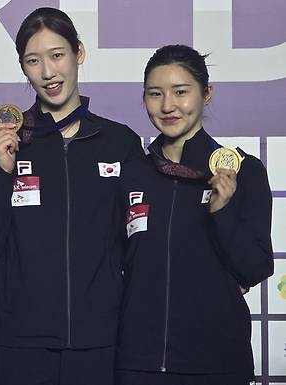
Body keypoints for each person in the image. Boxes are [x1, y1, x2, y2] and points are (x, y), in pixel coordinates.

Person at [0, 7, 144, 385]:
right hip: (19, 341)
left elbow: (139, 245)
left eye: (57, 55)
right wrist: (2, 171)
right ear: (23, 67)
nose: (48, 72)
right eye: (33, 61)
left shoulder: (120, 142)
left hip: (100, 340)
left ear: (79, 52)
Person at [115, 44, 274, 385]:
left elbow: (256, 267)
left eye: (181, 92)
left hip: (217, 364)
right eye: (155, 94)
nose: (167, 106)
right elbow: (112, 261)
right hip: (138, 363)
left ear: (207, 93)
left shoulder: (242, 171)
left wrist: (222, 213)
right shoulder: (133, 174)